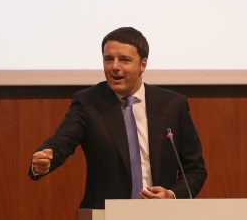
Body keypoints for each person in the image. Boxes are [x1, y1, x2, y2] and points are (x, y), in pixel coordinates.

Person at [29, 27, 207, 209]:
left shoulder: (172, 105)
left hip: (161, 213)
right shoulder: (89, 103)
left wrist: (172, 195)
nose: (114, 67)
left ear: (143, 64)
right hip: (106, 213)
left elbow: (195, 169)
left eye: (124, 60)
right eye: (108, 59)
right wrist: (46, 157)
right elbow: (62, 142)